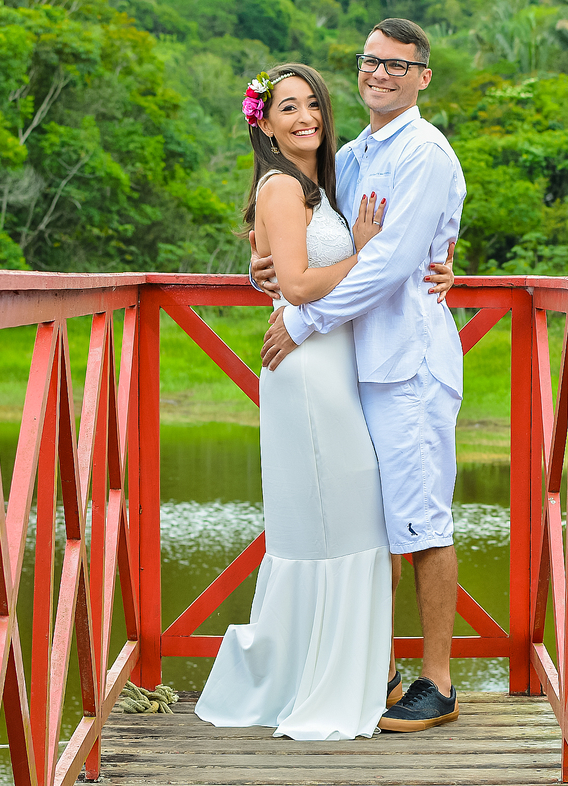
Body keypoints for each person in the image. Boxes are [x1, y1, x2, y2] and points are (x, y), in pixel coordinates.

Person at [194, 63, 455, 740]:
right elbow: (300, 285)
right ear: (265, 124)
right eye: (288, 107)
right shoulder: (283, 184)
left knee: (354, 521)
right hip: (308, 369)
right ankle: (328, 674)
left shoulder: (331, 179)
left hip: (339, 364)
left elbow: (312, 265)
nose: (305, 116)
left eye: (313, 103)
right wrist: (362, 254)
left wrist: (438, 259)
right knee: (341, 522)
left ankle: (359, 670)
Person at [255, 19, 467, 733]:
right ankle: (378, 668)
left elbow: (392, 261)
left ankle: (438, 681)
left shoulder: (425, 153)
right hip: (352, 366)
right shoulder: (349, 156)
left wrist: (303, 320)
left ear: (422, 77)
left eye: (396, 65)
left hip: (406, 363)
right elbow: (318, 241)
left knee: (421, 519)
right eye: (370, 61)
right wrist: (265, 267)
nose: (379, 73)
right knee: (371, 523)